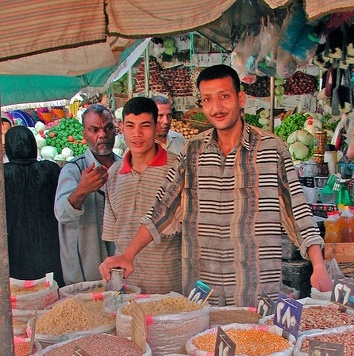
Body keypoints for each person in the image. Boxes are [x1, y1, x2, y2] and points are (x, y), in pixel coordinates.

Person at [100, 64, 332, 306]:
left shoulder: (271, 149)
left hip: (254, 292)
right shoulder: (192, 151)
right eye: (207, 99)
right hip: (203, 293)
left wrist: (318, 264)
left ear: (240, 98)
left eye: (224, 97)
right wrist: (128, 254)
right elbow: (162, 208)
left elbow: (298, 209)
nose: (216, 107)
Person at [102, 96, 181, 294]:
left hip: (168, 284)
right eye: (130, 126)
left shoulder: (177, 168)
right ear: (121, 128)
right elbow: (114, 235)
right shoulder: (113, 174)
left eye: (145, 126)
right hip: (126, 286)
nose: (137, 134)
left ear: (156, 127)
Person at [54, 104, 121, 284]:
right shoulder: (73, 169)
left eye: (108, 128)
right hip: (86, 265)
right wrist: (82, 190)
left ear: (115, 131)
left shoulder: (123, 167)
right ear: (85, 135)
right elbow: (61, 213)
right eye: (94, 130)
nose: (102, 135)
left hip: (119, 262)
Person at [4, 126, 64, 286]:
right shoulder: (50, 169)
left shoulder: (4, 174)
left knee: (21, 292)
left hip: (15, 248)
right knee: (51, 291)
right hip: (49, 245)